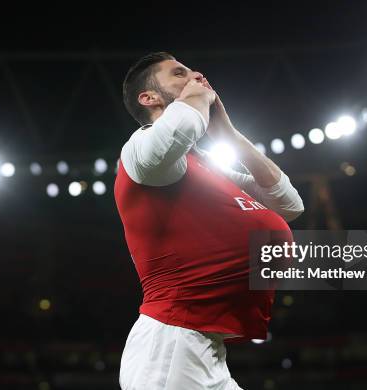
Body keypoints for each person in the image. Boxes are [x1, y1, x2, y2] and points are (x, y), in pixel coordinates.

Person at [114, 52, 305, 390]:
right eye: (179, 74)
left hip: (203, 350)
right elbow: (168, 141)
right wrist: (197, 99)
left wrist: (228, 133)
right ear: (150, 98)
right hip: (171, 345)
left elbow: (288, 203)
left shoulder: (203, 165)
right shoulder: (140, 148)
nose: (197, 76)